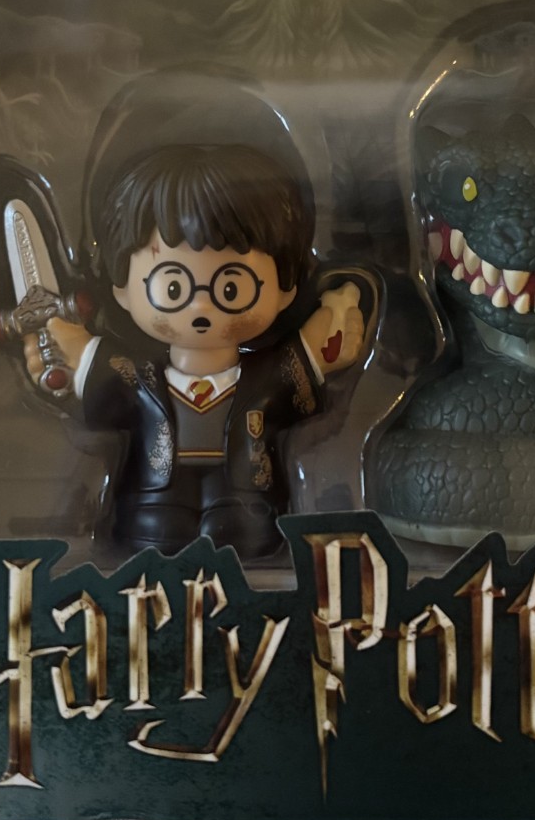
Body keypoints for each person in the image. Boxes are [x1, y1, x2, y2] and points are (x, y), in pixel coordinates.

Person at [29, 143, 366, 559]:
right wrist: (58, 349)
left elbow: (315, 355)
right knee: (157, 527)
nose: (200, 307)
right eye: (173, 287)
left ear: (284, 290)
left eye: (231, 287)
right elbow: (83, 367)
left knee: (243, 526)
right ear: (122, 289)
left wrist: (338, 318)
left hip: (246, 496)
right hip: (153, 494)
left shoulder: (265, 376)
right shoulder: (137, 378)